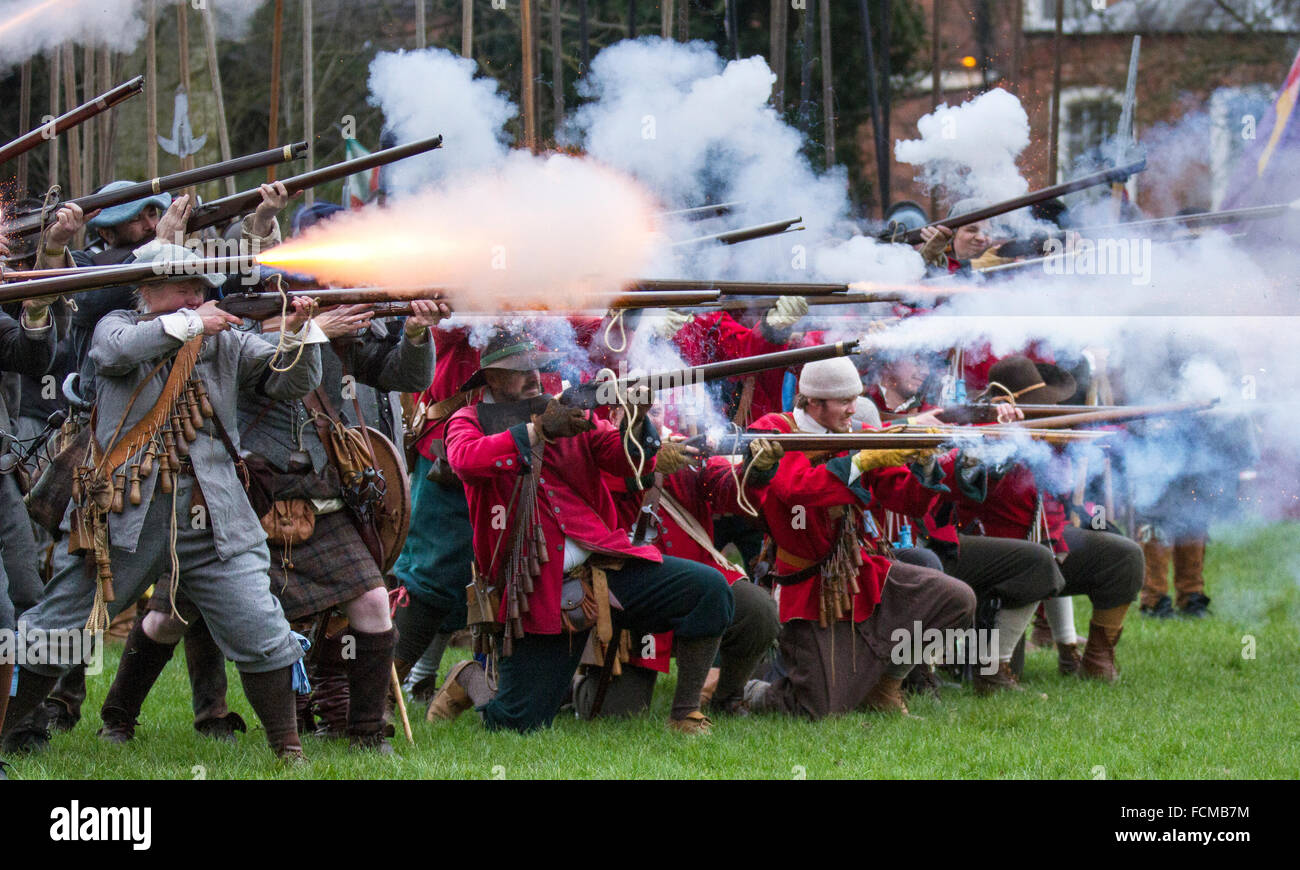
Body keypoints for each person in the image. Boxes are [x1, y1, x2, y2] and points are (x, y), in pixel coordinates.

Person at [0, 241, 324, 762]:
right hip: (123, 518)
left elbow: (288, 383)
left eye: (200, 288)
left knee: (260, 628)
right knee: (57, 629)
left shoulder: (227, 340)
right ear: (145, 289)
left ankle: (288, 749)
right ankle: (3, 729)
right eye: (182, 286)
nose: (195, 295)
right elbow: (117, 352)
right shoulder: (116, 326)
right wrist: (194, 324)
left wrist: (301, 335)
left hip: (215, 516)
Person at [91, 300, 441, 753]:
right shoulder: (231, 333)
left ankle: (368, 733)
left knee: (373, 602)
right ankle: (118, 719)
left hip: (319, 497)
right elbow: (264, 371)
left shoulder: (341, 334)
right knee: (168, 620)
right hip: (241, 499)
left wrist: (415, 333)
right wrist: (306, 330)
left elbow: (407, 378)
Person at [427, 329, 734, 735]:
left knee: (710, 590)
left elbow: (628, 461)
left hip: (605, 563)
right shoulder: (468, 421)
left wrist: (637, 419)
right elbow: (466, 461)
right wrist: (538, 432)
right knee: (516, 725)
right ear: (492, 379)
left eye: (538, 367)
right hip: (535, 587)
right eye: (521, 371)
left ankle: (685, 713)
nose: (535, 376)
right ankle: (471, 678)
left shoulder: (568, 409)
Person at [742, 356, 977, 718]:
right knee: (816, 710)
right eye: (844, 401)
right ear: (813, 402)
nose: (854, 408)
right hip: (806, 585)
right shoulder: (776, 428)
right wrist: (862, 462)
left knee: (955, 598)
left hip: (859, 569)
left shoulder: (857, 433)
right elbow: (796, 489)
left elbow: (906, 500)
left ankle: (886, 687)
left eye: (855, 398)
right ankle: (750, 690)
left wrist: (928, 463)